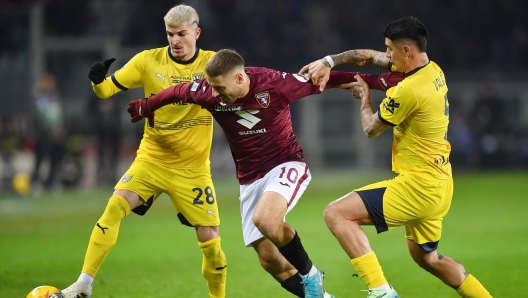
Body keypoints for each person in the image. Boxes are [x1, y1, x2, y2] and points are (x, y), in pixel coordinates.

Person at [127, 49, 402, 298]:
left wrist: (379, 82)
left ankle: (311, 274)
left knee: (266, 220)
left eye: (220, 88)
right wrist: (146, 106)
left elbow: (325, 80)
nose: (214, 94)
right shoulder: (207, 91)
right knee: (269, 260)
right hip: (249, 179)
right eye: (212, 87)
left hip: (285, 164)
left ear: (239, 79)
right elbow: (177, 92)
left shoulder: (274, 83)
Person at [300, 16, 493, 298]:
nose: (386, 54)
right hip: (440, 183)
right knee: (429, 259)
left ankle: (381, 292)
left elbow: (371, 129)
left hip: (419, 186)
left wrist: (364, 97)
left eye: (390, 49)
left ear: (407, 51)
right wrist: (329, 61)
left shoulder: (409, 90)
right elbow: (368, 57)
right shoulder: (432, 70)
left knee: (336, 214)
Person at [61, 5, 227, 298]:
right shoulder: (148, 60)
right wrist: (98, 81)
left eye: (182, 34)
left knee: (211, 243)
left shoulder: (212, 63)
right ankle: (83, 285)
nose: (175, 41)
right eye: (170, 34)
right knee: (114, 207)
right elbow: (107, 90)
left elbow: (237, 90)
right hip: (152, 159)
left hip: (193, 169)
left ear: (196, 33)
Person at [30, 74, 64, 193]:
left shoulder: (55, 98)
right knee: (40, 159)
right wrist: (49, 131)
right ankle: (35, 182)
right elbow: (38, 119)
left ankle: (51, 182)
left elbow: (59, 116)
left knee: (54, 159)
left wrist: (59, 130)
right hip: (42, 136)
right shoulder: (40, 99)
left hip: (55, 136)